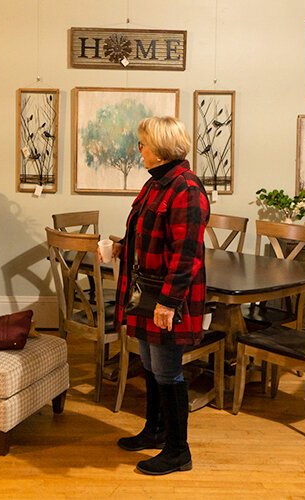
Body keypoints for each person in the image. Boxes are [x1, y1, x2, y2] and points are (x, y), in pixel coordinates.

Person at [111, 116, 210, 475]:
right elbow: (146, 234)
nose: (140, 150)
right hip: (145, 291)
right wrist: (121, 247)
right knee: (151, 366)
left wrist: (169, 302)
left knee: (169, 372)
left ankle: (178, 451)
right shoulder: (156, 185)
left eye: (143, 143)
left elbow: (186, 254)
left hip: (166, 296)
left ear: (160, 148)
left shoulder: (186, 189)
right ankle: (154, 430)